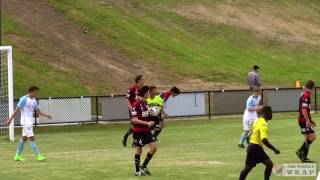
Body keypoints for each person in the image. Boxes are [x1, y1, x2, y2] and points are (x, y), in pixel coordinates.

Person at [6, 86, 52, 161]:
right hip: (25, 122)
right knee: (31, 138)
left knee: (24, 139)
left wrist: (47, 115)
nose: (36, 94)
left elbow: (38, 111)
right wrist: (10, 120)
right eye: (35, 92)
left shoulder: (34, 100)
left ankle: (17, 156)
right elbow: (16, 110)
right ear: (31, 91)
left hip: (29, 122)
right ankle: (38, 156)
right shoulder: (23, 99)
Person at [239, 106, 280, 180]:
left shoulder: (258, 120)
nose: (272, 115)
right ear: (266, 113)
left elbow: (253, 132)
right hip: (256, 148)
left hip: (251, 147)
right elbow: (264, 139)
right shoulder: (264, 124)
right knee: (269, 164)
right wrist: (274, 149)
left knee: (247, 169)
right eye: (271, 113)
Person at [131, 86, 157, 176]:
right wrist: (147, 123)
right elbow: (134, 120)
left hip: (146, 130)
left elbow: (148, 117)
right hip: (138, 131)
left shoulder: (146, 103)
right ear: (145, 93)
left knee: (154, 147)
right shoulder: (136, 104)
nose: (149, 94)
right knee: (139, 150)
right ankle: (137, 171)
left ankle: (143, 166)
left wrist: (153, 119)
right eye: (148, 92)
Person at [296, 80, 316, 162]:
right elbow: (303, 109)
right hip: (304, 120)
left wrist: (311, 120)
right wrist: (308, 121)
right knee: (312, 137)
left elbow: (305, 109)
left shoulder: (304, 93)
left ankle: (304, 157)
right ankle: (300, 151)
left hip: (303, 119)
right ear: (312, 87)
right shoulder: (306, 95)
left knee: (307, 138)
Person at [122, 75, 145, 147]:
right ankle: (134, 142)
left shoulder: (143, 90)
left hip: (140, 110)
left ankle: (126, 136)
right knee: (136, 125)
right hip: (134, 110)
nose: (144, 81)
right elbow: (127, 99)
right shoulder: (131, 89)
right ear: (138, 80)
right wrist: (131, 108)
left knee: (139, 125)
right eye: (143, 79)